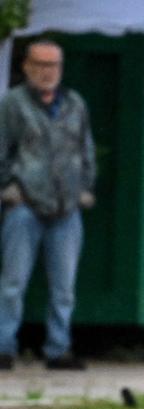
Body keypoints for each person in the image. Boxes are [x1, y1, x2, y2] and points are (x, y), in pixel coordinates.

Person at [0, 39, 94, 371]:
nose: (46, 72)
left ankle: (58, 349)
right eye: (39, 64)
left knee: (64, 287)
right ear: (26, 67)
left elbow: (86, 150)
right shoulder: (13, 103)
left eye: (53, 65)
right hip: (25, 205)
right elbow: (3, 150)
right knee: (13, 282)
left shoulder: (74, 103)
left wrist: (85, 187)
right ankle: (4, 346)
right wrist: (8, 189)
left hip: (67, 207)